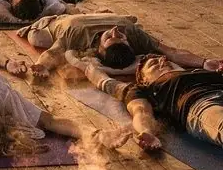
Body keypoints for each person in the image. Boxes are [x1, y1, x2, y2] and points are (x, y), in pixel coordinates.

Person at [69, 51, 223, 150]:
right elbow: (141, 111)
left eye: (163, 59)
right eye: (154, 64)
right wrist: (146, 131)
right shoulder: (144, 89)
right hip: (202, 103)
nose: (162, 61)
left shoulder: (198, 72)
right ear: (144, 79)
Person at [26, 12, 222, 76]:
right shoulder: (131, 33)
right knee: (37, 37)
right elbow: (173, 52)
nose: (115, 31)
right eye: (119, 36)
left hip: (67, 22)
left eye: (112, 37)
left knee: (38, 39)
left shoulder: (77, 35)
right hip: (64, 17)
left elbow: (171, 52)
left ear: (98, 49)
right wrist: (204, 61)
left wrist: (204, 63)